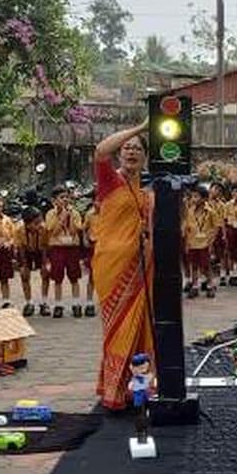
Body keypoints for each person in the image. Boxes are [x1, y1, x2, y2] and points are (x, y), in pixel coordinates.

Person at [92, 120, 156, 411]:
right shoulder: (110, 181)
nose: (131, 152)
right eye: (127, 148)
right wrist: (141, 127)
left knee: (142, 326)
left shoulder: (147, 193)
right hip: (112, 265)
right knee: (116, 327)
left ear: (145, 157)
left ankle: (137, 388)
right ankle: (113, 390)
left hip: (142, 266)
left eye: (137, 149)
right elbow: (100, 150)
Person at [44, 184, 84, 317]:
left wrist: (69, 217)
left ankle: (76, 303)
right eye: (62, 197)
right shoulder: (50, 214)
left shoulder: (75, 213)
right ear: (54, 200)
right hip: (57, 247)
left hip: (72, 247)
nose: (65, 200)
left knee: (74, 276)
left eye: (67, 197)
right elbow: (52, 232)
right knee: (57, 277)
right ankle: (58, 304)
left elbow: (75, 231)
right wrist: (61, 217)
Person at [14, 206, 46, 317]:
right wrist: (23, 265)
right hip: (26, 251)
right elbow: (20, 248)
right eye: (35, 223)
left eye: (40, 221)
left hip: (40, 250)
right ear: (27, 224)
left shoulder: (43, 228)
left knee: (45, 273)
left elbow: (45, 247)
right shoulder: (19, 229)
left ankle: (44, 302)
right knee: (24, 276)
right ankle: (29, 302)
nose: (39, 225)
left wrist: (44, 264)